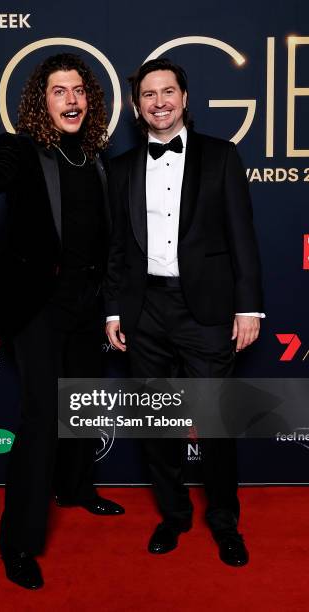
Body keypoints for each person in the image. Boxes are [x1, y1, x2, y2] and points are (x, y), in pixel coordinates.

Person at [0, 53, 124, 590]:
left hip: (86, 305)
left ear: (89, 98)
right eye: (58, 91)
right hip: (37, 306)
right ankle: (17, 543)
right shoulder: (21, 149)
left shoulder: (95, 155)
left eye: (77, 90)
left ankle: (76, 488)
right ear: (41, 103)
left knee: (84, 407)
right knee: (42, 418)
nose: (70, 99)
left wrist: (108, 302)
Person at [105, 58, 264, 567]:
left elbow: (243, 237)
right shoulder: (122, 168)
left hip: (209, 311)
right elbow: (115, 250)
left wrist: (249, 308)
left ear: (185, 98)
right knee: (157, 424)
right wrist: (113, 314)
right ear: (136, 106)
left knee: (215, 425)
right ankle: (173, 516)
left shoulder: (221, 156)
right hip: (144, 309)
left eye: (168, 91)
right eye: (149, 94)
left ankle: (224, 522)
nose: (159, 102)